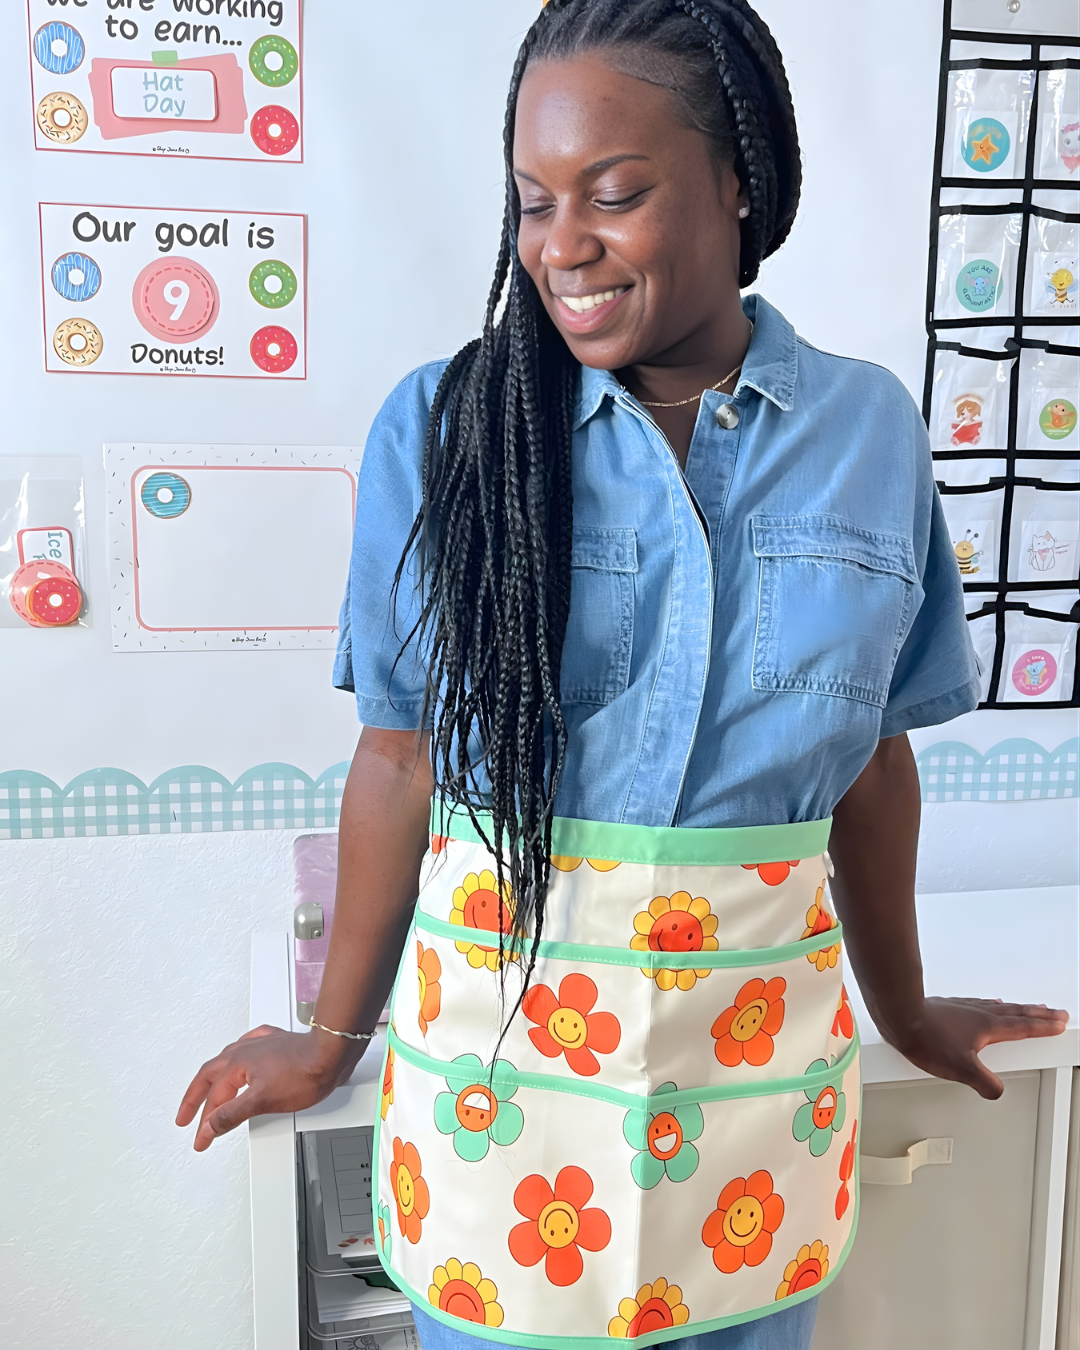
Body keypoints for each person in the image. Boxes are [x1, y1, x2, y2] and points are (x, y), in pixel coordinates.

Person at [177, 3, 1069, 1347]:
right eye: (535, 202)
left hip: (755, 1105)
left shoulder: (866, 432)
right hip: (501, 1114)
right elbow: (402, 756)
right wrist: (329, 1039)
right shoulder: (447, 427)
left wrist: (905, 1003)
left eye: (616, 193)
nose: (561, 245)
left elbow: (873, 765)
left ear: (739, 181)